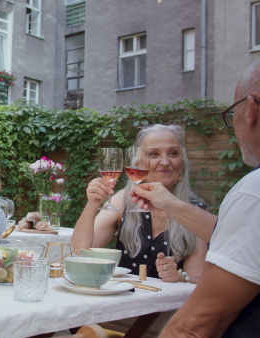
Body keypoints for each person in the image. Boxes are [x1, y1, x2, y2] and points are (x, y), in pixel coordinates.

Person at [133, 62, 260, 337]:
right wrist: (172, 205)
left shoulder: (253, 193)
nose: (164, 162)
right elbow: (237, 236)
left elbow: (195, 326)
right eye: (153, 154)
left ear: (250, 111)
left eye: (232, 114)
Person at [71, 124, 208, 282]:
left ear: (182, 162)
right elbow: (81, 251)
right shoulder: (125, 200)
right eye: (153, 154)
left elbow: (197, 278)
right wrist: (92, 204)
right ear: (137, 163)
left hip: (167, 304)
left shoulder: (196, 211)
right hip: (123, 298)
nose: (164, 161)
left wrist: (179, 277)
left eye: (173, 153)